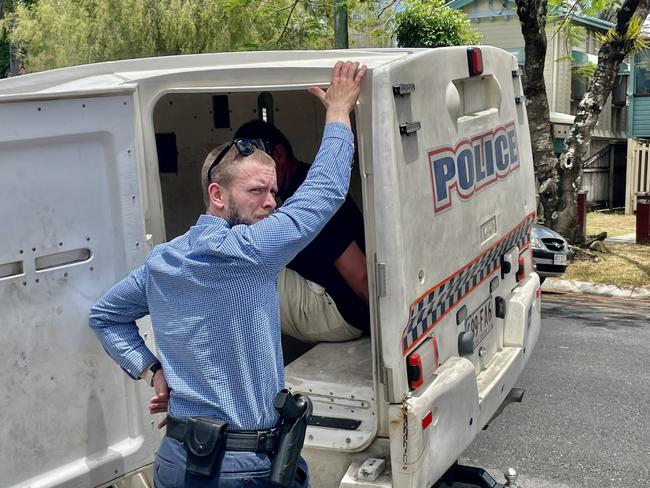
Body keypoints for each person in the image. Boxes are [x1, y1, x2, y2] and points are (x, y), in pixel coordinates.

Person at [88, 60, 367, 488]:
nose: (272, 202)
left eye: (274, 190)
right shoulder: (250, 253)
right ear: (217, 195)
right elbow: (325, 190)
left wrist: (152, 370)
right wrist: (338, 111)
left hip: (178, 459)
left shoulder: (162, 261)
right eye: (257, 190)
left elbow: (106, 316)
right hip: (244, 466)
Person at [234, 120, 370, 337]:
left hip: (342, 310)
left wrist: (382, 329)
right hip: (334, 301)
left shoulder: (309, 196)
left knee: (233, 268)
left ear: (278, 155)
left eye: (257, 164)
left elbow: (360, 273)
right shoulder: (302, 182)